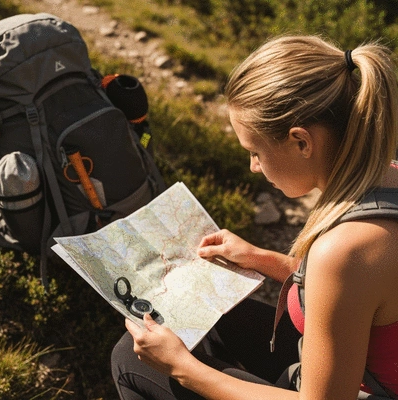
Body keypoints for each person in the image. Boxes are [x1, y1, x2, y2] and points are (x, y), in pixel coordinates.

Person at [111, 35, 398, 400]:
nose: (252, 167)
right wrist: (261, 259)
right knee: (206, 321)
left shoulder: (346, 248)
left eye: (256, 151)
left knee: (131, 360)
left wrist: (183, 369)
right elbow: (364, 293)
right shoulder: (385, 175)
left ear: (301, 142)